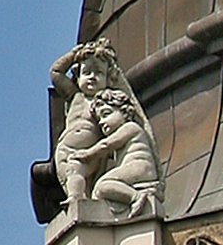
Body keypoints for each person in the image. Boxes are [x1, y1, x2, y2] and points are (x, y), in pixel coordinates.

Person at [50, 40, 163, 220]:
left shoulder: (104, 102)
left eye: (99, 73)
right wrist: (74, 54)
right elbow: (55, 73)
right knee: (72, 177)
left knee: (79, 176)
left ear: (109, 79)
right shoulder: (75, 96)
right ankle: (76, 203)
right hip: (65, 149)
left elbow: (110, 139)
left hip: (87, 154)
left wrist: (88, 153)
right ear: (78, 77)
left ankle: (78, 202)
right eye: (87, 73)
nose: (92, 77)